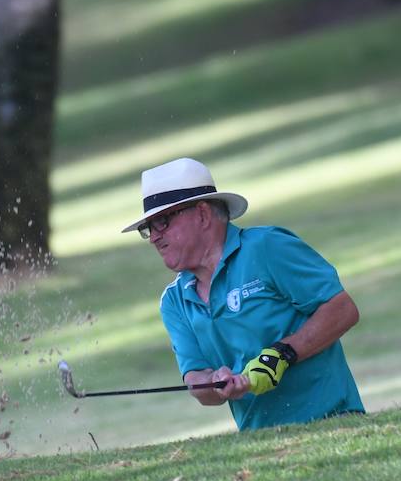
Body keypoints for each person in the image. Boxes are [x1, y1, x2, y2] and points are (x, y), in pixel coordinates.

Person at [122, 157, 364, 430]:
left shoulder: (266, 247)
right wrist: (217, 382)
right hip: (259, 444)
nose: (154, 236)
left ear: (202, 214)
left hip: (334, 422)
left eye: (162, 221)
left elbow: (343, 310)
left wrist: (283, 353)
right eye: (148, 228)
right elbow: (196, 380)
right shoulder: (174, 302)